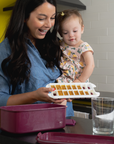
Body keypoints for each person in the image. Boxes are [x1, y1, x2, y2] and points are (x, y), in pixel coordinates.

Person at [0, 0, 74, 117]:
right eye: (41, 18)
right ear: (24, 17)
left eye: (53, 18)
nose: (49, 25)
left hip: (64, 122)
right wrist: (34, 96)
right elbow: (1, 100)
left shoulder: (53, 44)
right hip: (29, 127)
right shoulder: (6, 50)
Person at [56, 9, 95, 83]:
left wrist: (80, 80)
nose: (71, 35)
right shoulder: (61, 43)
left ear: (82, 29)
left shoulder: (83, 47)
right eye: (65, 32)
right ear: (60, 33)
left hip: (79, 82)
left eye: (75, 31)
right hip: (64, 81)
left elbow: (91, 65)